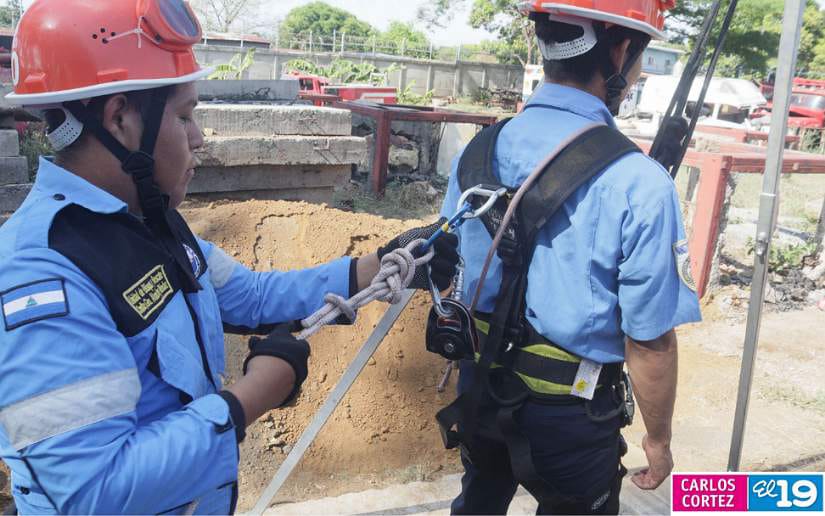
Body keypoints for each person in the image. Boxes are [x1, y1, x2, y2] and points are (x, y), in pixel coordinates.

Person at [0, 1, 458, 514]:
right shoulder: (42, 272)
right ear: (121, 119)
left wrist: (380, 263)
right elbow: (92, 491)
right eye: (184, 116)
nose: (198, 138)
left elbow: (251, 296)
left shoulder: (151, 226)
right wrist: (247, 401)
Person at [437, 1, 701, 514]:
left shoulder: (479, 150)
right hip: (572, 420)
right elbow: (649, 341)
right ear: (620, 51)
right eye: (641, 57)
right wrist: (658, 441)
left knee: (478, 502)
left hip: (481, 389)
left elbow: (453, 269)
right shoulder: (639, 181)